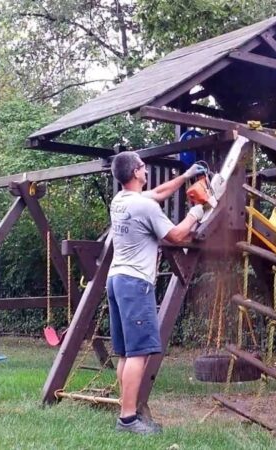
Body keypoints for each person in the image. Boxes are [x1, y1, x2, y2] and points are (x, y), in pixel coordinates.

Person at [107, 151, 206, 435]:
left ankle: (130, 412)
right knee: (139, 353)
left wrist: (186, 177)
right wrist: (197, 212)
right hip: (135, 283)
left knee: (126, 353)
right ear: (137, 172)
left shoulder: (122, 200)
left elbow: (157, 193)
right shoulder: (144, 207)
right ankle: (128, 420)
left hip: (116, 280)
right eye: (143, 166)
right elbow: (175, 236)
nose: (146, 169)